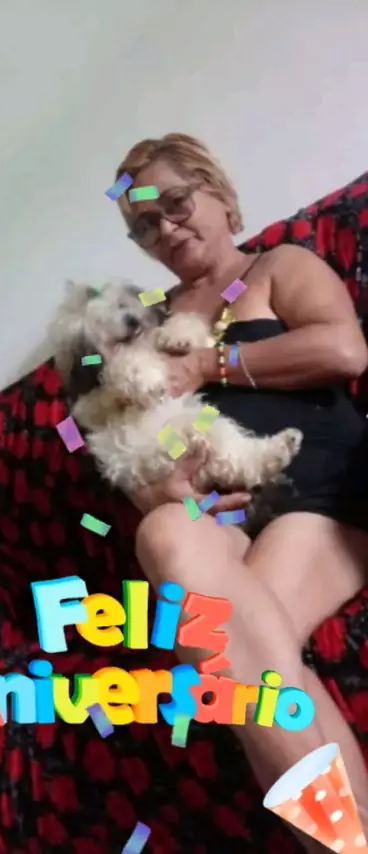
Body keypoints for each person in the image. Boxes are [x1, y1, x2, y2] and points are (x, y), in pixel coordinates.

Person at [113, 133, 368, 851]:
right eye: (144, 225)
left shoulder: (276, 266)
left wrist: (210, 365)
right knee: (159, 533)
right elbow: (128, 443)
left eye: (175, 203)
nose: (166, 229)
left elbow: (345, 350)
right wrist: (161, 487)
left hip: (316, 492)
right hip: (218, 511)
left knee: (233, 656)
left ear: (220, 197)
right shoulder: (147, 321)